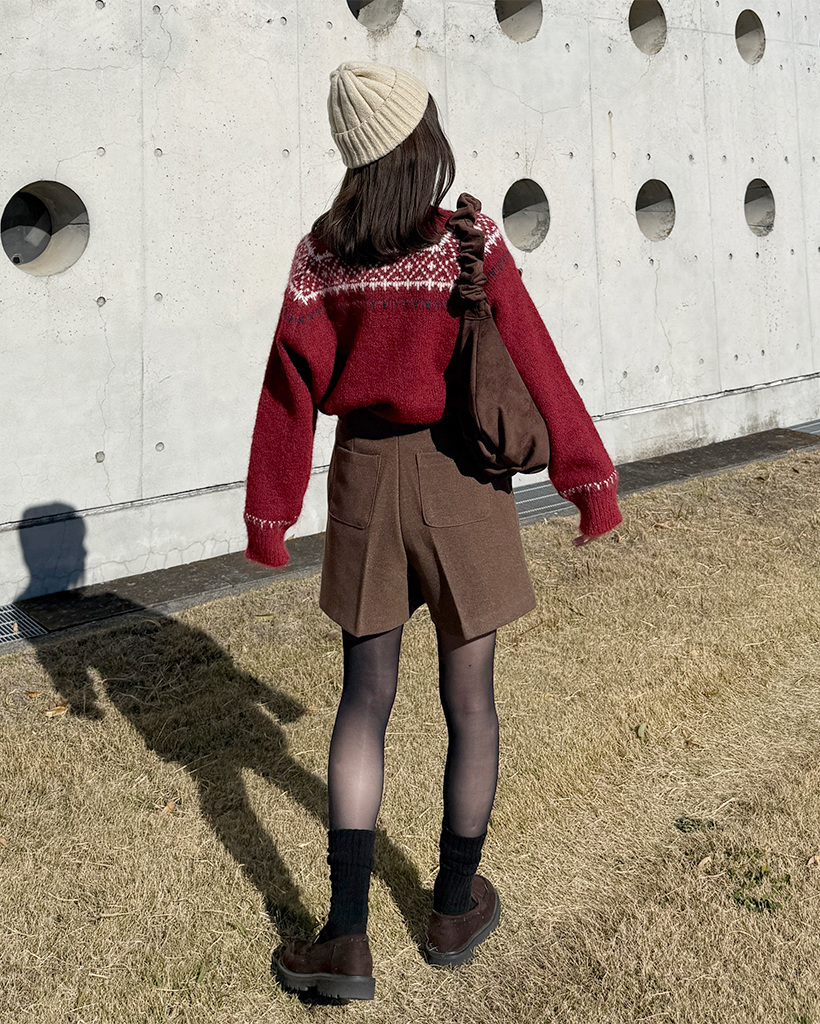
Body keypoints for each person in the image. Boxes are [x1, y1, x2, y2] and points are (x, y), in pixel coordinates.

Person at [244, 61, 622, 1001]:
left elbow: (289, 388)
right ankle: (453, 907)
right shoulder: (466, 242)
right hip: (463, 481)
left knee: (364, 701)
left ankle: (345, 939)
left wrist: (270, 515)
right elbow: (534, 356)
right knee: (471, 702)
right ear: (423, 142)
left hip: (367, 480)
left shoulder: (320, 254)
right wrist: (587, 479)